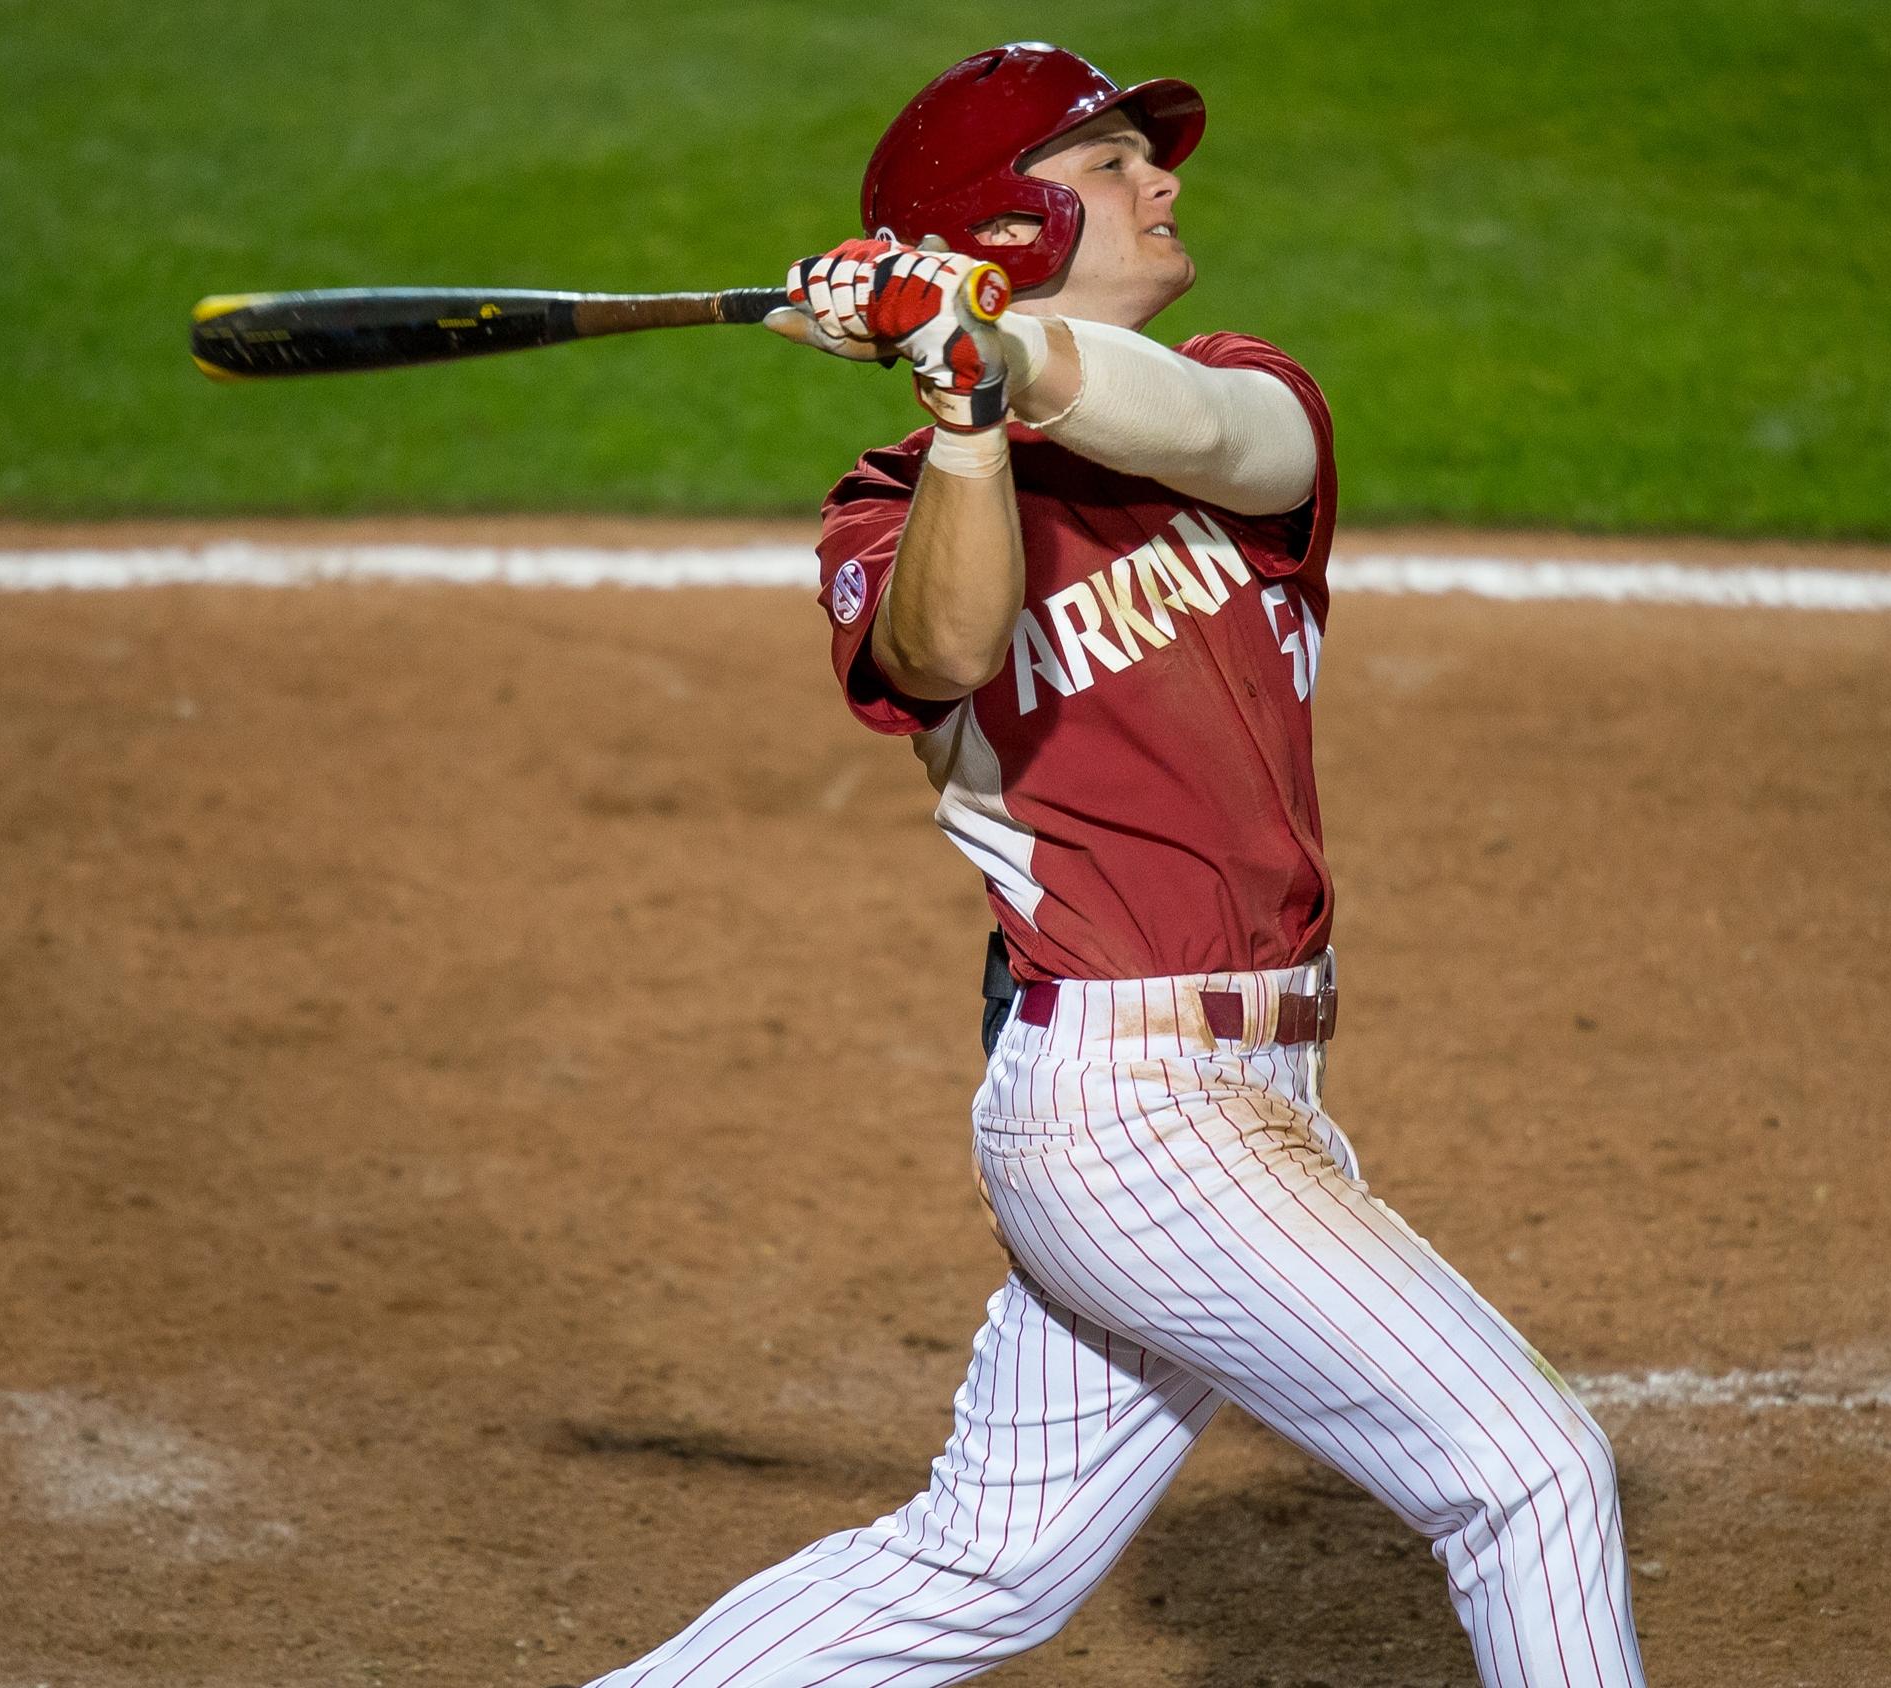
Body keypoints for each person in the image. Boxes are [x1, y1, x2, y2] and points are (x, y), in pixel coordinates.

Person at [588, 45, 1646, 1688]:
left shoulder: (1245, 395)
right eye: (1103, 164)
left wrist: (989, 347)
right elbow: (943, 646)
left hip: (1247, 1102)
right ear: (1003, 226)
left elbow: (1220, 433)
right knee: (1530, 1474)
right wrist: (959, 412)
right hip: (1132, 1113)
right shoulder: (887, 511)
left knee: (978, 1566)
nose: (1161, 180)